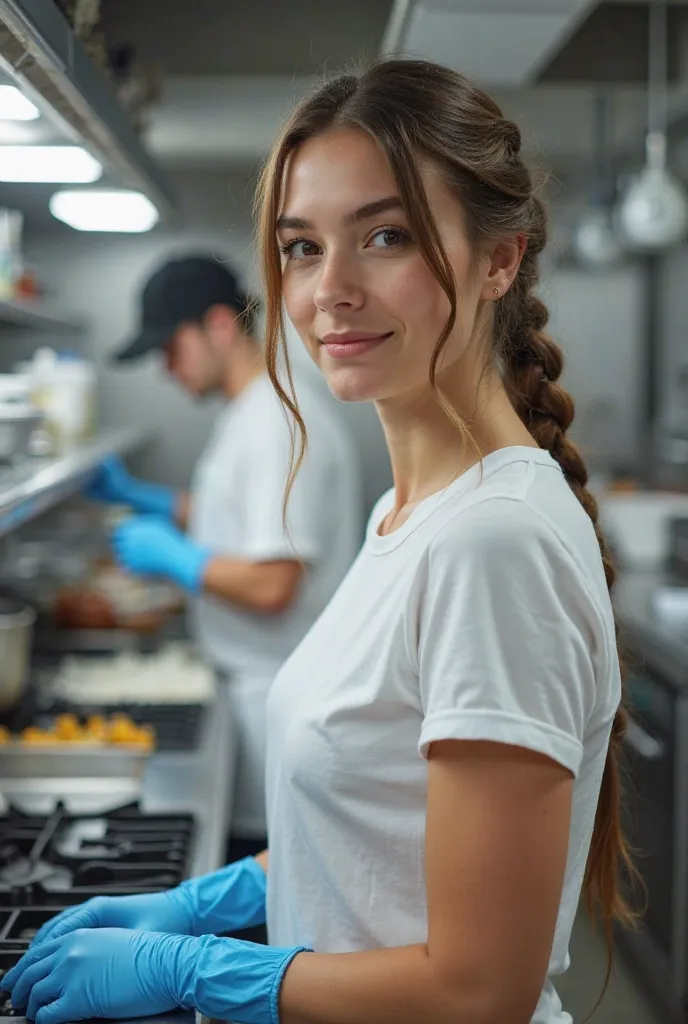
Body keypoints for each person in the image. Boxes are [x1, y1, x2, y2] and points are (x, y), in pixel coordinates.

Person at [3, 59, 636, 1024]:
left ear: (500, 259)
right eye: (302, 247)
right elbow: (375, 821)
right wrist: (207, 900)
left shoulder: (492, 545)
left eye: (385, 236)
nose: (330, 290)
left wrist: (191, 969)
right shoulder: (410, 514)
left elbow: (480, 989)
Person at [85, 254, 362, 852]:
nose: (165, 368)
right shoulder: (249, 412)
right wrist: (154, 503)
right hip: (252, 686)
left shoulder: (277, 422)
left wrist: (178, 559)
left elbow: (273, 582)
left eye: (169, 348)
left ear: (218, 325)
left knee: (267, 889)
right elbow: (244, 520)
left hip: (277, 697)